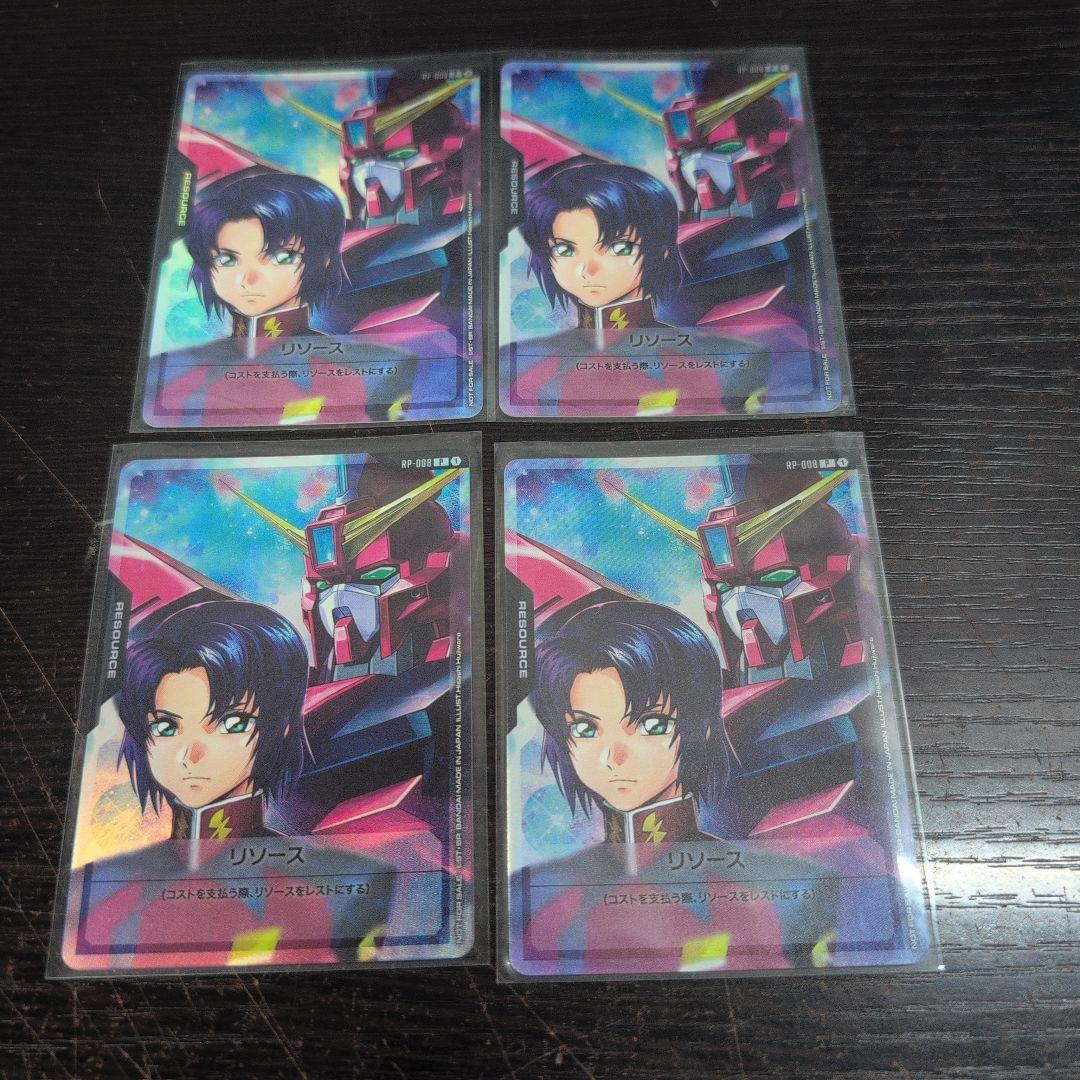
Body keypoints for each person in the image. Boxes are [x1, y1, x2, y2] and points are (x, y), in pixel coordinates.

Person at [532, 599, 726, 849]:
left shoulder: (729, 864)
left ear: (704, 728)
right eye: (585, 729)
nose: (613, 758)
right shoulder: (570, 872)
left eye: (652, 725)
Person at [117, 599, 309, 840]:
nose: (191, 756)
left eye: (232, 724)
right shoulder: (138, 863)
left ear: (283, 725)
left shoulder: (301, 858)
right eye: (166, 727)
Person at [520, 162, 683, 341]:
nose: (587, 271)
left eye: (619, 248)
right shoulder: (537, 352)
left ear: (660, 252)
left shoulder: (684, 347)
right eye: (564, 250)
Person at [185, 169, 346, 342]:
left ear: (324, 258)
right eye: (226, 260)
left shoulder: (329, 352)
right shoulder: (206, 354)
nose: (247, 280)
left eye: (281, 258)